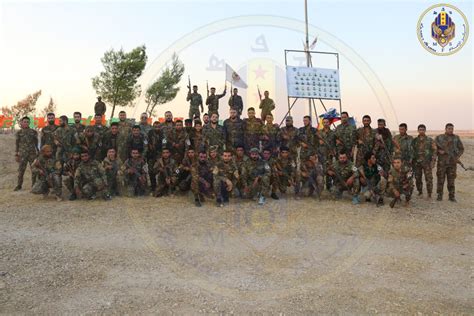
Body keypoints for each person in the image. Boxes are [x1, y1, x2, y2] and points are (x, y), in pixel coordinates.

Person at [435, 123, 464, 202]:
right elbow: (434, 148)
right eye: (449, 128)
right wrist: (438, 151)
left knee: (451, 180)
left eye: (452, 129)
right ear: (445, 129)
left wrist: (457, 157)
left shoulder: (456, 138)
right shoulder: (439, 138)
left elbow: (461, 149)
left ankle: (451, 196)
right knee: (440, 180)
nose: (451, 130)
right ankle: (439, 195)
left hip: (452, 163)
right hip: (442, 163)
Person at [14, 117, 39, 191]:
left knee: (34, 170)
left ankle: (34, 185)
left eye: (27, 122)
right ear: (21, 123)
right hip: (22, 154)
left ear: (29, 123)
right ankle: (19, 185)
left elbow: (36, 143)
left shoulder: (33, 132)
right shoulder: (19, 132)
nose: (26, 123)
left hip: (32, 154)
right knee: (21, 170)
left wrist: (38, 151)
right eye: (24, 122)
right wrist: (16, 154)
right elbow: (17, 144)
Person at [412, 124, 437, 198]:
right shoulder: (414, 141)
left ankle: (429, 194)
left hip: (427, 163)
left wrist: (433, 161)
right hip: (417, 163)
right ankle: (420, 192)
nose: (421, 131)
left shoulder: (430, 140)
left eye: (423, 130)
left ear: (425, 130)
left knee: (429, 178)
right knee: (418, 178)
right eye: (420, 130)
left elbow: (435, 151)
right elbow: (412, 151)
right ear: (418, 131)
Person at [317, 117, 336, 190]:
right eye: (324, 122)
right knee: (320, 170)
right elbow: (315, 144)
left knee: (329, 170)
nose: (325, 124)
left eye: (327, 122)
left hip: (329, 155)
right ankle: (320, 186)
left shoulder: (333, 133)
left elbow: (334, 144)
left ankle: (329, 186)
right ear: (322, 123)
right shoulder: (319, 133)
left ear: (329, 123)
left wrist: (333, 151)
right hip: (320, 154)